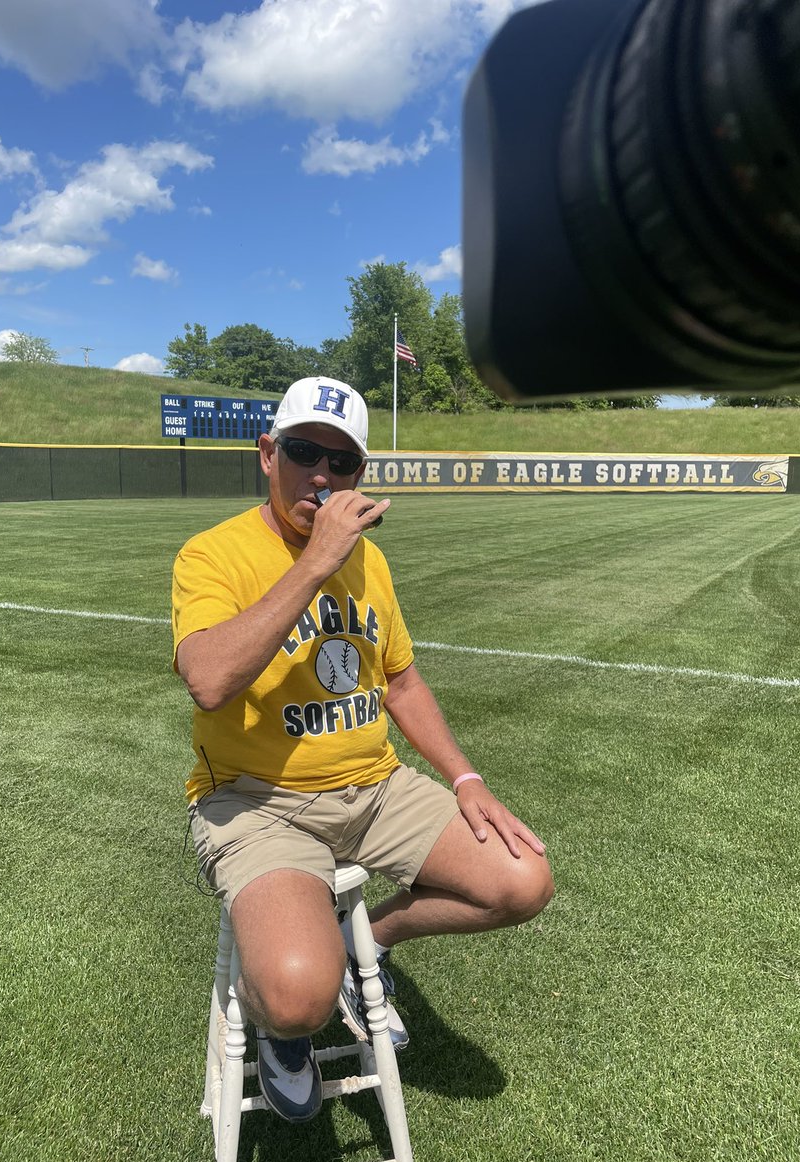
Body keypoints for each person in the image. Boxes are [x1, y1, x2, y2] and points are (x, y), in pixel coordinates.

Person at [172, 375, 554, 1123]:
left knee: (522, 881)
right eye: (303, 452)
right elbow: (209, 681)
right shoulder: (212, 554)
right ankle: (284, 1022)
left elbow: (401, 682)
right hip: (256, 801)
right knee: (295, 998)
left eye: (341, 462)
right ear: (267, 454)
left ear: (359, 474)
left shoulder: (369, 561)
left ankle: (361, 947)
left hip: (375, 787)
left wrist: (466, 776)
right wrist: (314, 562)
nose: (322, 475)